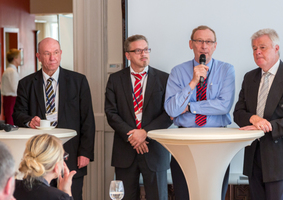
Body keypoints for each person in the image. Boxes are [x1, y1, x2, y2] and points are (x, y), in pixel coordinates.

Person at [12, 37, 95, 200]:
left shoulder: (78, 81)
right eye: (47, 53)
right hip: (39, 156)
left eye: (56, 53)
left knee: (72, 195)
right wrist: (29, 121)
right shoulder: (26, 83)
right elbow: (17, 114)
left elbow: (88, 119)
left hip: (71, 153)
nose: (52, 58)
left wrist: (85, 152)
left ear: (61, 53)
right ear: (38, 56)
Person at [164, 25, 235, 200]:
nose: (204, 46)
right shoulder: (178, 72)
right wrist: (193, 82)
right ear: (191, 44)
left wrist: (189, 107)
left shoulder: (226, 70)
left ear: (215, 46)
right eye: (200, 41)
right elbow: (172, 109)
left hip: (218, 140)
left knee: (214, 194)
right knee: (184, 193)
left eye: (209, 41)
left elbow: (223, 106)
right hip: (185, 140)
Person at [105, 34, 172, 200]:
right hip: (125, 151)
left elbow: (169, 113)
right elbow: (111, 113)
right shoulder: (115, 79)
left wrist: (145, 132)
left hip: (154, 150)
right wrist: (133, 135)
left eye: (146, 49)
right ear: (127, 55)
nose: (144, 54)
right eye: (138, 51)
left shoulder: (164, 79)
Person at [234, 28, 283, 200]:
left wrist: (267, 126)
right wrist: (253, 118)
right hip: (253, 157)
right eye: (254, 48)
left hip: (278, 159)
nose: (257, 51)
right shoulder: (249, 78)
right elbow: (238, 112)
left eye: (262, 47)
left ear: (276, 48)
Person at [14, 134, 76, 200]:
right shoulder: (59, 197)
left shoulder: (11, 186)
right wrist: (66, 191)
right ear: (56, 167)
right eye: (63, 157)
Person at [1, 49, 21, 125]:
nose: (20, 59)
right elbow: (15, 88)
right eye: (19, 57)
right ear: (15, 58)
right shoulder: (12, 71)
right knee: (11, 121)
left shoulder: (8, 70)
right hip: (11, 99)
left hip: (8, 98)